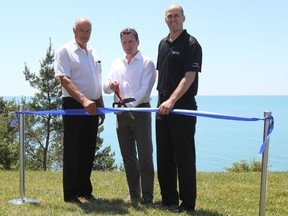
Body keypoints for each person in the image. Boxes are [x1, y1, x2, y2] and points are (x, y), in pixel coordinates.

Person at [155, 4, 202, 212]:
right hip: (161, 106)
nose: (172, 19)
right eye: (169, 16)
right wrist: (162, 102)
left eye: (176, 16)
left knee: (184, 157)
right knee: (164, 156)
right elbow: (163, 75)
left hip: (182, 107)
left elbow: (188, 78)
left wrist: (171, 101)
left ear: (183, 18)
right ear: (165, 20)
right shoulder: (162, 44)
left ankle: (188, 203)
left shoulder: (191, 44)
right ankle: (168, 199)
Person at [103, 28, 156, 204]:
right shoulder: (116, 63)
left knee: (145, 154)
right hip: (120, 114)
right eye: (124, 42)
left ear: (138, 42)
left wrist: (128, 106)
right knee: (128, 155)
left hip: (140, 111)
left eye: (131, 42)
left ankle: (147, 196)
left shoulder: (147, 62)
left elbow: (144, 90)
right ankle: (134, 194)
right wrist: (110, 84)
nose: (128, 46)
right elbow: (105, 87)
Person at [55, 17, 105, 204]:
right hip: (75, 105)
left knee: (87, 149)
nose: (85, 34)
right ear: (74, 30)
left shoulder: (92, 52)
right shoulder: (65, 50)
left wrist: (99, 103)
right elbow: (64, 79)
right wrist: (84, 100)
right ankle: (70, 194)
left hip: (92, 105)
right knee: (73, 150)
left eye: (88, 31)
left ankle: (85, 190)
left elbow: (96, 81)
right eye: (81, 30)